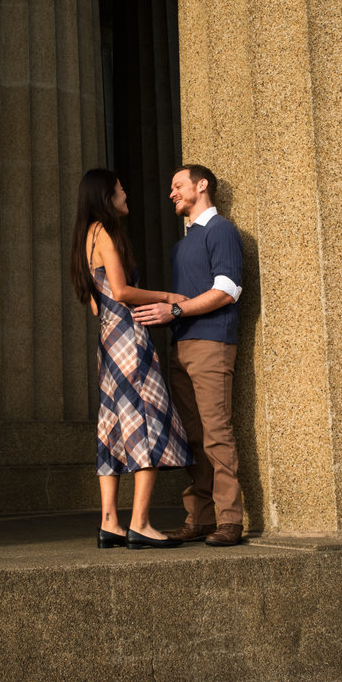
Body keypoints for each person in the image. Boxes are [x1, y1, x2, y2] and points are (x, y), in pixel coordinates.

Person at [70, 168, 193, 550]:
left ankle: (110, 522)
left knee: (112, 426)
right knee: (147, 418)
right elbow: (122, 291)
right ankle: (140, 522)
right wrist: (168, 298)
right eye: (121, 189)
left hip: (106, 341)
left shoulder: (84, 239)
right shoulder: (105, 233)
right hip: (128, 338)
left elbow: (97, 303)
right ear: (106, 196)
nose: (127, 194)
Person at [132, 164, 244, 547]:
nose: (172, 193)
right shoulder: (181, 246)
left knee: (216, 433)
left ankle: (230, 520)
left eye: (177, 185)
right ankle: (199, 518)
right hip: (180, 348)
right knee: (191, 437)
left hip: (212, 344)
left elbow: (228, 289)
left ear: (202, 185)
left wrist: (175, 311)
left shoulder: (222, 230)